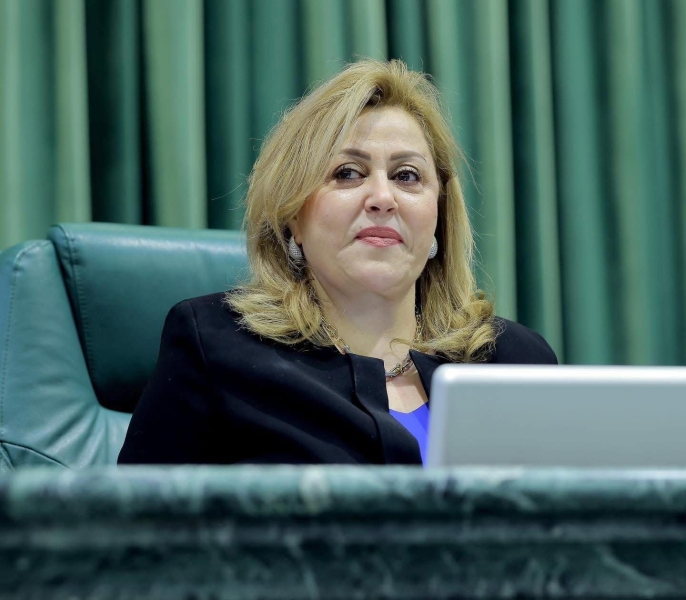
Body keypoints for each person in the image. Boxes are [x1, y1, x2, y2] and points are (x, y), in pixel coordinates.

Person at [118, 60, 556, 467]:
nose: (382, 198)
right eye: (348, 173)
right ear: (293, 216)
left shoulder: (513, 361)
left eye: (407, 175)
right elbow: (135, 522)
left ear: (439, 216)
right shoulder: (216, 349)